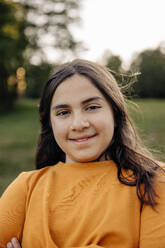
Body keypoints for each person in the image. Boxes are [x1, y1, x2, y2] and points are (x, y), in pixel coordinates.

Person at [0, 59, 165, 248]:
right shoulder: (27, 188)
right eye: (63, 112)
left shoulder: (154, 181)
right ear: (50, 124)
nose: (78, 124)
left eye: (92, 107)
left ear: (115, 113)